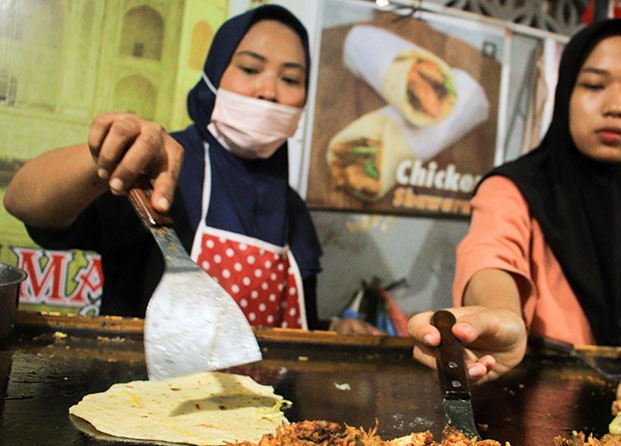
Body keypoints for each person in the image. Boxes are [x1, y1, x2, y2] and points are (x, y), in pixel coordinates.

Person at [4, 5, 379, 335]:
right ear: (214, 75)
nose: (268, 91)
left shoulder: (293, 212)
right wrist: (106, 161)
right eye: (250, 68)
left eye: (290, 79)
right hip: (145, 407)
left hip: (269, 413)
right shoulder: (160, 172)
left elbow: (294, 328)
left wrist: (333, 329)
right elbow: (24, 202)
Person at [408, 18, 621, 383]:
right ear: (565, 94)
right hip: (538, 413)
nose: (617, 106)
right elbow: (490, 255)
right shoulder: (512, 188)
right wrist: (497, 316)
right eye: (594, 84)